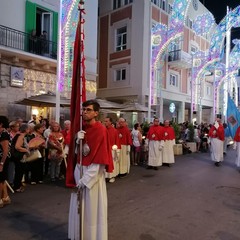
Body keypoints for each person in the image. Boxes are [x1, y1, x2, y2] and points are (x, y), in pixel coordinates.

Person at [68, 100, 113, 240]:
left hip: (92, 175)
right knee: (79, 208)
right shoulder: (83, 129)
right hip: (80, 170)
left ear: (96, 113)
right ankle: (79, 235)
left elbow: (100, 160)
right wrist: (77, 141)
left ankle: (92, 237)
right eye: (83, 110)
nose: (84, 112)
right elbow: (79, 154)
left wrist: (85, 180)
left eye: (88, 110)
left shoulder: (101, 130)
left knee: (92, 210)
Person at [104, 117, 121, 183]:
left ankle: (112, 176)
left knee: (113, 163)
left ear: (110, 122)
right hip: (105, 150)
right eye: (105, 121)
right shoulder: (103, 130)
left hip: (112, 150)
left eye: (107, 121)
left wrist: (117, 151)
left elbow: (117, 141)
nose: (105, 122)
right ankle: (105, 176)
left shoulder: (115, 131)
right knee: (105, 164)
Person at [0, 116, 11, 208]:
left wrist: (1, 163)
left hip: (2, 159)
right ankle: (5, 197)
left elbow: (5, 150)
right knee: (2, 179)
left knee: (0, 179)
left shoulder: (4, 134)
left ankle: (1, 199)